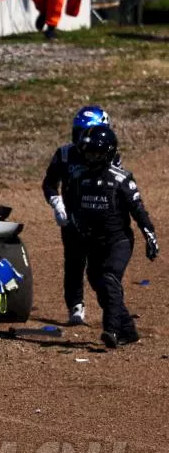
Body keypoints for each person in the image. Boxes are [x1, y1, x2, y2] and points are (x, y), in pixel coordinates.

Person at [64, 125, 158, 349]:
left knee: (109, 278)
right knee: (98, 282)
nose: (89, 157)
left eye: (94, 153)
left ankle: (112, 329)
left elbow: (138, 209)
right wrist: (77, 225)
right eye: (86, 152)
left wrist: (150, 235)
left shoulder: (121, 179)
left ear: (107, 153)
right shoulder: (79, 178)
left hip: (119, 241)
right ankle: (128, 329)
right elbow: (70, 203)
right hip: (93, 241)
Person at [42, 105, 114, 325]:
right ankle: (75, 306)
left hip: (99, 220)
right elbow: (50, 183)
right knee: (73, 263)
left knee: (99, 267)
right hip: (71, 219)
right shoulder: (64, 154)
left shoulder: (110, 156)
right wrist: (57, 203)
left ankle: (111, 307)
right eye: (78, 132)